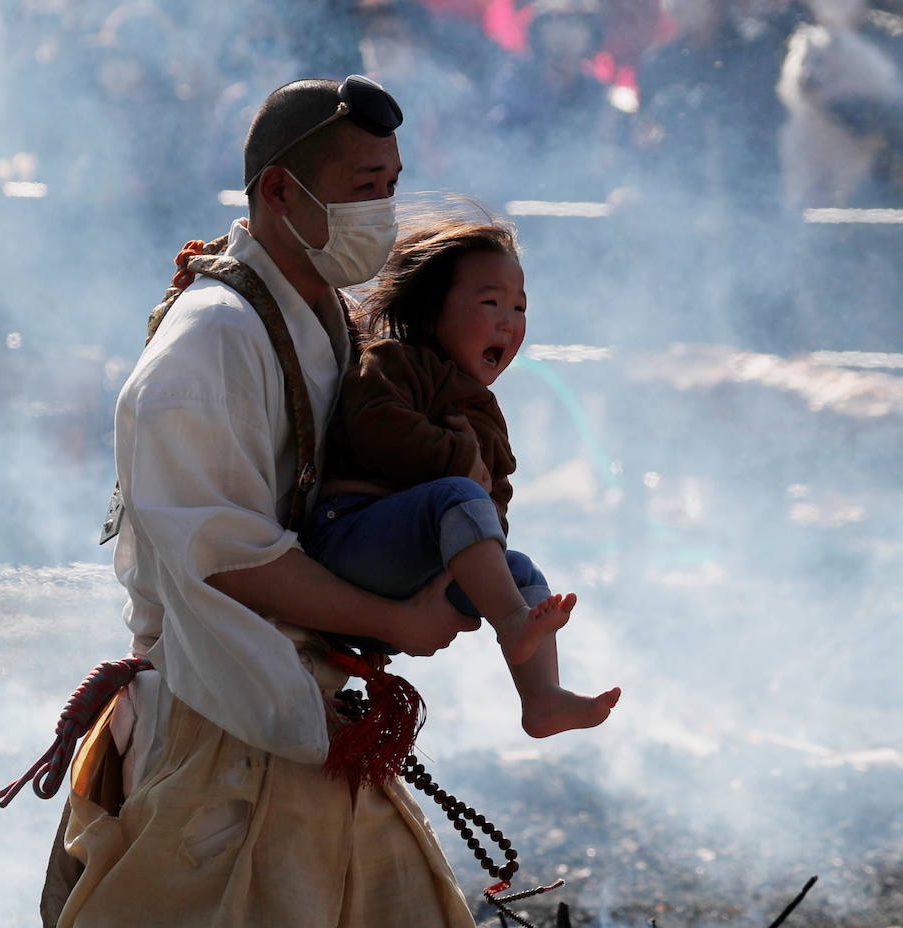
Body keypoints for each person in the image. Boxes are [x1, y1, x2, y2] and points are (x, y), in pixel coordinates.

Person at [50, 76, 480, 928]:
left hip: (297, 708)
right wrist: (393, 622)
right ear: (280, 190)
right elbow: (230, 558)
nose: (382, 213)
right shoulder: (210, 341)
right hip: (223, 727)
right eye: (365, 189)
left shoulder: (321, 317)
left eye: (392, 187)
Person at [306, 217, 622, 739]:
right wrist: (459, 462)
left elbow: (494, 498)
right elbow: (375, 429)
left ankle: (541, 697)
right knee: (457, 494)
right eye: (491, 303)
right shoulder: (394, 362)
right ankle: (513, 626)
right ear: (432, 311)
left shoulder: (484, 409)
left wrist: (483, 512)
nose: (508, 321)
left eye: (519, 308)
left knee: (520, 570)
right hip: (351, 537)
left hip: (420, 565)